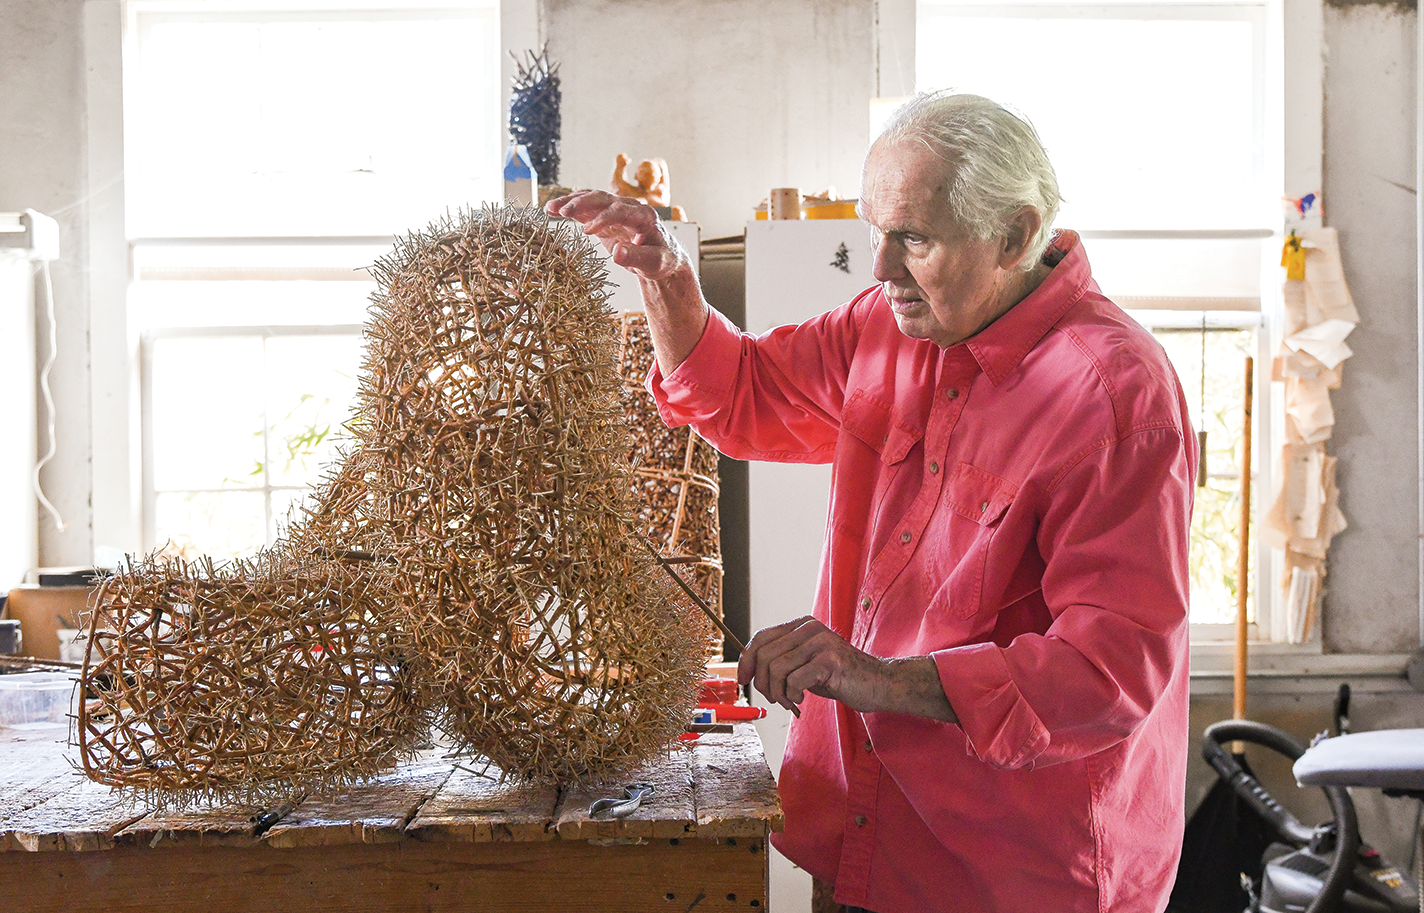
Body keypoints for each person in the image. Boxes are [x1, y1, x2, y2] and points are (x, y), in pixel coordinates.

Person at [548, 91, 1196, 913]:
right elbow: (739, 393)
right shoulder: (888, 325)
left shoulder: (1115, 395)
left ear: (1015, 235)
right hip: (864, 835)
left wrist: (874, 676)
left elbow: (1109, 672)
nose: (881, 267)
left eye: (914, 238)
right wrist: (670, 279)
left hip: (1014, 876)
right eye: (873, 231)